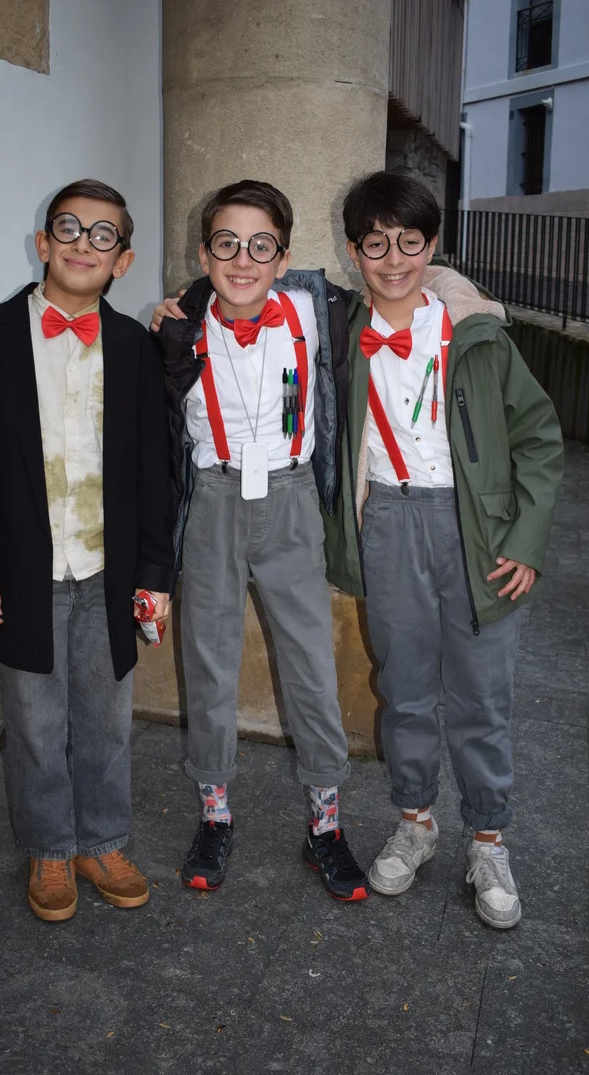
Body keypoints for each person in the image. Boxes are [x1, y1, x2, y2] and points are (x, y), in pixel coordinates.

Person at [321, 171, 563, 928]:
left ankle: (488, 840)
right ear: (354, 250)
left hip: (477, 530)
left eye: (409, 241)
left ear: (431, 246)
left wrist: (525, 540)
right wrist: (181, 301)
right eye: (376, 244)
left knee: (482, 696)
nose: (393, 259)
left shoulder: (478, 337)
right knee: (404, 689)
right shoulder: (337, 331)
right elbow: (249, 290)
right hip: (389, 522)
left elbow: (539, 438)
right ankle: (416, 822)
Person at [0, 178, 174, 922]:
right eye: (68, 228)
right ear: (43, 243)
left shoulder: (133, 347)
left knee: (106, 720)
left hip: (106, 569)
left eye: (103, 235)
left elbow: (155, 470)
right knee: (35, 724)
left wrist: (155, 573)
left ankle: (102, 841)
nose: (83, 244)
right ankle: (48, 847)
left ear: (122, 260)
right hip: (20, 573)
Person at [154, 180, 369, 902]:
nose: (242, 260)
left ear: (283, 257)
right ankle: (215, 816)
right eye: (226, 244)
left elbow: (408, 289)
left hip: (291, 498)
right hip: (212, 500)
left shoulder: (319, 310)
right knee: (209, 662)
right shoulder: (177, 326)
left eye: (260, 245)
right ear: (203, 254)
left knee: (310, 663)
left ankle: (326, 825)